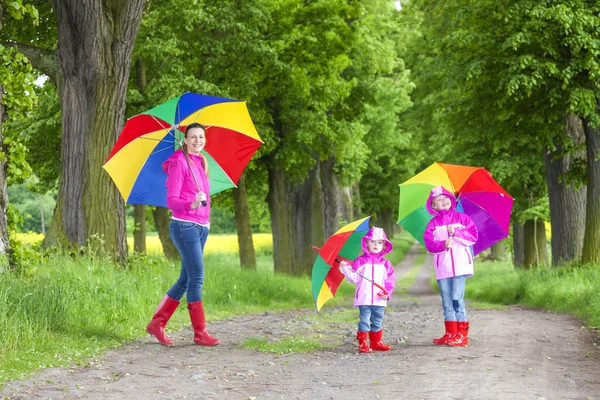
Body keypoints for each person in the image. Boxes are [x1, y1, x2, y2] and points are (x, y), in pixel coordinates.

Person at [146, 122, 219, 347]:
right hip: (184, 226)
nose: (198, 141)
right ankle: (200, 332)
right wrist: (192, 202)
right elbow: (172, 202)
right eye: (193, 137)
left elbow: (201, 195)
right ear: (185, 139)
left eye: (201, 137)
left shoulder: (200, 161)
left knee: (186, 278)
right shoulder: (179, 162)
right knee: (196, 276)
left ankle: (157, 323)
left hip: (200, 226)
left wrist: (204, 204)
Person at [423, 185, 478, 347]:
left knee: (456, 298)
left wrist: (457, 233)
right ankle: (450, 333)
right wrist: (442, 245)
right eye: (439, 200)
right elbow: (429, 243)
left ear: (452, 200)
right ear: (434, 206)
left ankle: (462, 334)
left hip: (461, 266)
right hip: (443, 268)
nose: (444, 201)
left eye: (446, 198)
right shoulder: (433, 224)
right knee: (446, 301)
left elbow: (473, 237)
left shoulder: (462, 219)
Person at [339, 227, 396, 353]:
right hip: (364, 299)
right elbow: (353, 278)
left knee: (377, 321)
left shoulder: (385, 264)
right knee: (364, 320)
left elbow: (389, 282)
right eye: (372, 241)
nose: (376, 244)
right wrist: (345, 268)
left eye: (379, 242)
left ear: (384, 245)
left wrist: (387, 294)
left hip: (379, 300)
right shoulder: (361, 261)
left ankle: (376, 342)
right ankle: (363, 343)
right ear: (366, 243)